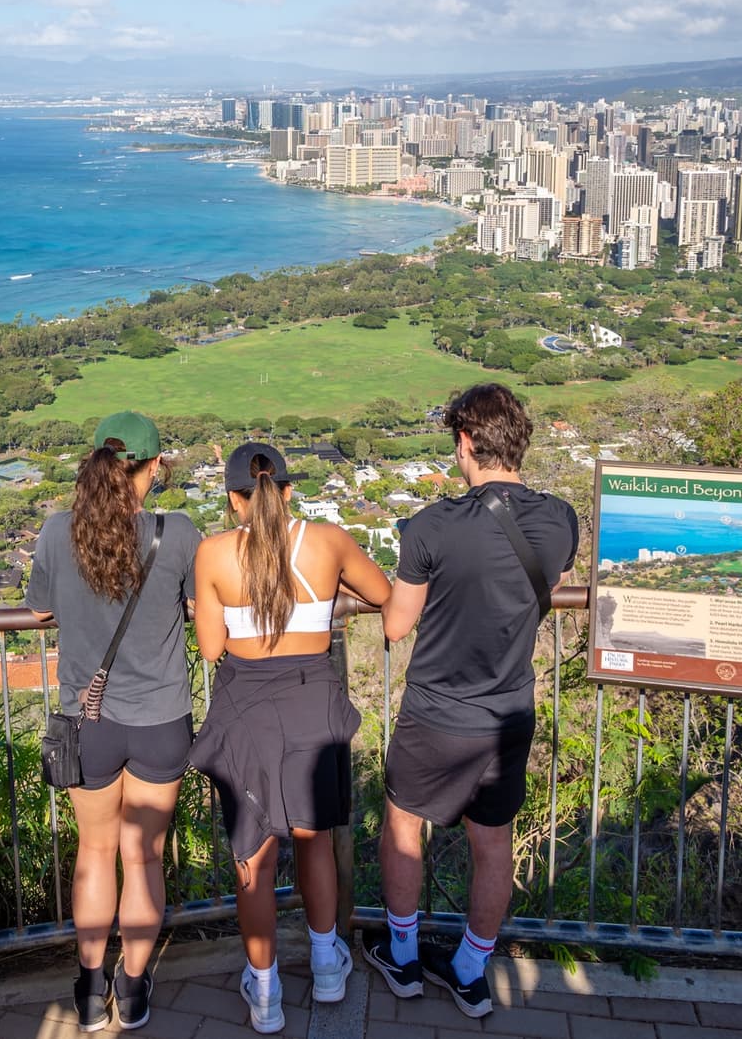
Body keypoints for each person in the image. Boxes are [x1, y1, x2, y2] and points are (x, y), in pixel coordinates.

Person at [362, 384, 578, 1019]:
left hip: (437, 710)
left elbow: (396, 625)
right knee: (493, 844)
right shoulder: (560, 519)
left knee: (404, 827)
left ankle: (403, 956)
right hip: (508, 713)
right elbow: (554, 584)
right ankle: (470, 970)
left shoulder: (433, 526)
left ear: (465, 443)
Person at [190, 442, 391, 1034]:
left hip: (246, 709)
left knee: (252, 856)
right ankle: (327, 966)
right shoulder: (328, 541)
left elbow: (210, 647)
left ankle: (266, 991)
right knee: (314, 838)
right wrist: (331, 600)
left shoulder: (214, 553)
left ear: (234, 500)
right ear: (287, 491)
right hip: (312, 701)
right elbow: (382, 593)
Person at [27, 412, 200, 1032]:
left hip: (88, 721)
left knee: (95, 852)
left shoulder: (57, 532)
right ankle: (132, 990)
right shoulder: (178, 533)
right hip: (161, 718)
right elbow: (198, 603)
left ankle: (89, 987)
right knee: (143, 857)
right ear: (154, 468)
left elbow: (39, 610)